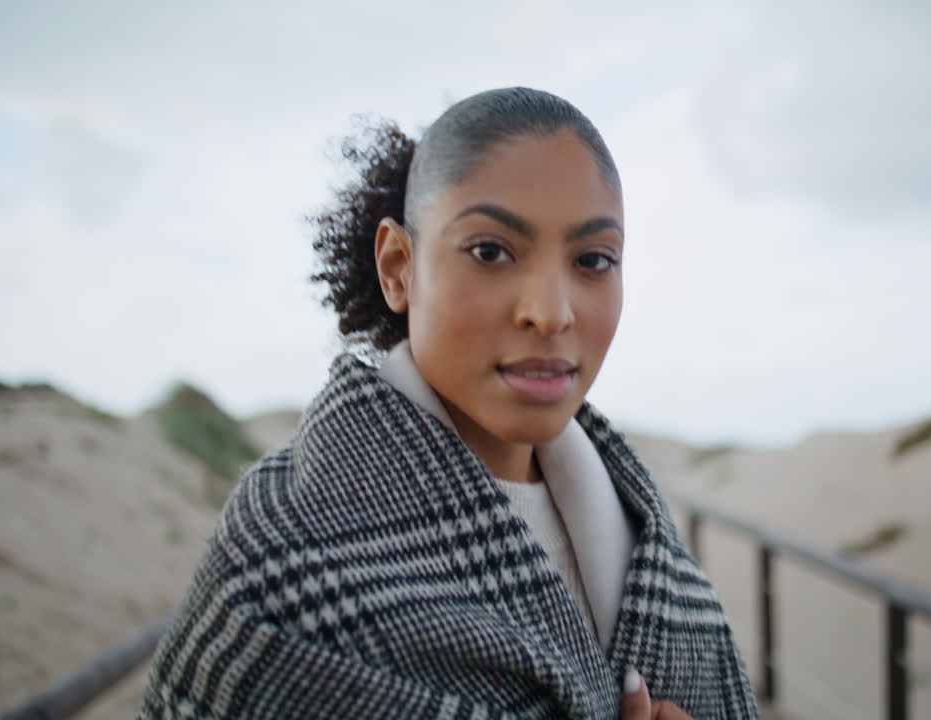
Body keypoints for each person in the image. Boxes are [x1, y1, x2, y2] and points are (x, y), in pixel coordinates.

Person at [138, 87, 759, 720]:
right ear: (398, 267)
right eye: (490, 252)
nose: (549, 313)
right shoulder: (284, 568)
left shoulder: (644, 535)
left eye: (593, 260)